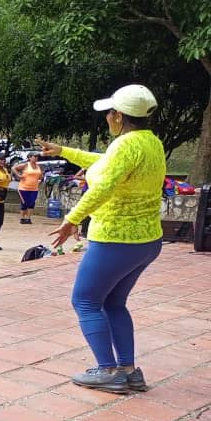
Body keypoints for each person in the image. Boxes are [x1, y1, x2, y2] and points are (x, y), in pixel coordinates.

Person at [39, 84, 164, 393]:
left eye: (110, 113)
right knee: (114, 302)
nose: (108, 117)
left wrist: (72, 220)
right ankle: (129, 370)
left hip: (115, 239)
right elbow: (107, 162)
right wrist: (64, 151)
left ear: (119, 117)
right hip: (147, 241)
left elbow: (103, 186)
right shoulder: (151, 143)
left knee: (84, 300)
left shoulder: (124, 147)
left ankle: (108, 371)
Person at [13, 151, 44, 224]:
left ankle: (28, 218)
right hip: (24, 188)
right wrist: (19, 176)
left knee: (32, 203)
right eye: (34, 157)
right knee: (24, 203)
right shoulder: (26, 165)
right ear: (30, 157)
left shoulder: (38, 166)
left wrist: (40, 179)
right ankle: (22, 218)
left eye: (37, 157)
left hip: (34, 188)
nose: (36, 158)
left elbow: (40, 175)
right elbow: (13, 168)